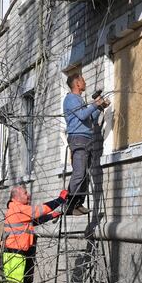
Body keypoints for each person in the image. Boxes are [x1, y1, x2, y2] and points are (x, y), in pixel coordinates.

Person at [62, 73, 109, 216]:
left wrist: (100, 108)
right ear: (77, 83)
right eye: (83, 80)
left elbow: (89, 119)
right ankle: (69, 204)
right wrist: (95, 104)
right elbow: (82, 115)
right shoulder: (70, 99)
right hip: (78, 138)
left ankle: (78, 203)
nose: (85, 83)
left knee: (85, 175)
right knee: (79, 173)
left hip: (86, 139)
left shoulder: (79, 100)